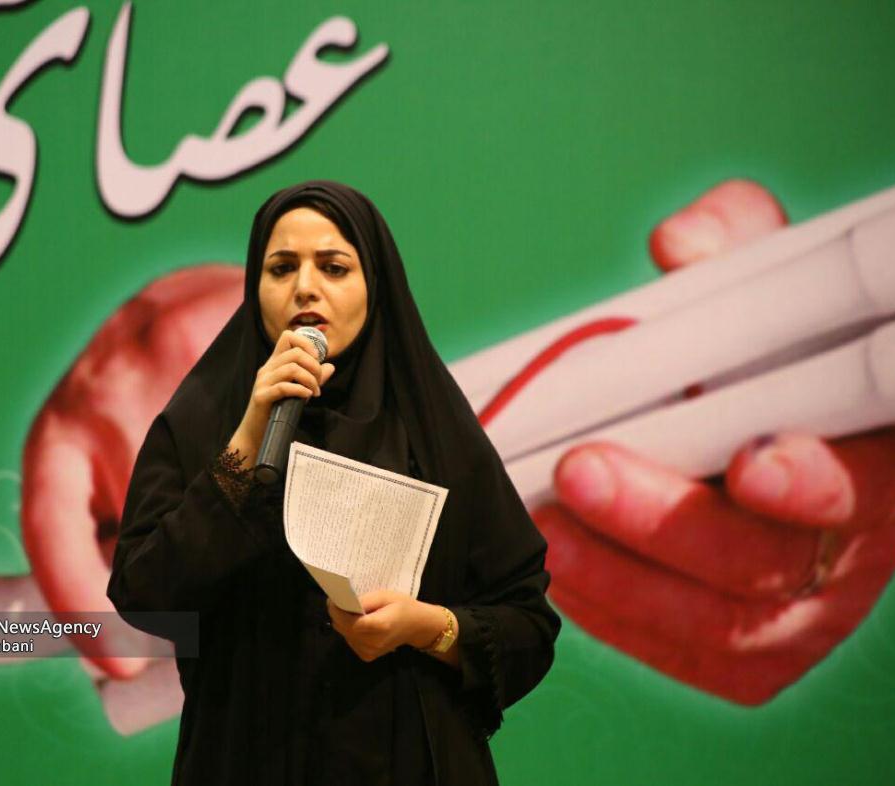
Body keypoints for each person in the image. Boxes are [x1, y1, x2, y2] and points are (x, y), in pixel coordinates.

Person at [107, 180, 559, 785]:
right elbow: (143, 593)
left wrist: (426, 627)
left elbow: (528, 623)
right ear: (255, 287)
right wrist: (248, 438)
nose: (305, 287)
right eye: (281, 268)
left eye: (334, 267)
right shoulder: (201, 423)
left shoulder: (432, 430)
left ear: (376, 285)